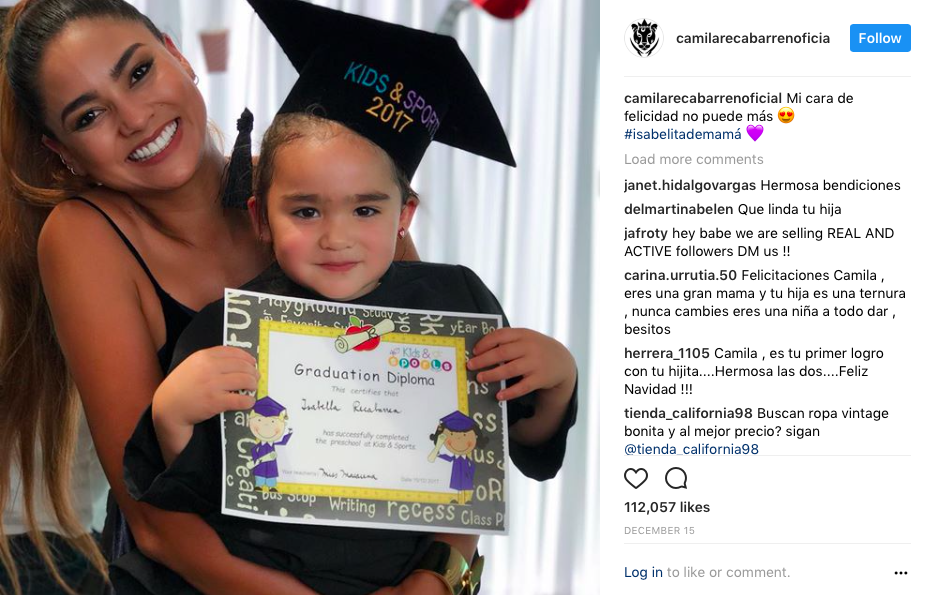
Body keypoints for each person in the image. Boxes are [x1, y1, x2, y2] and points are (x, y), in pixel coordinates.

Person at [123, 2, 579, 595]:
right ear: (261, 218)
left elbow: (516, 437)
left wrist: (558, 379)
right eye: (306, 211)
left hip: (407, 580)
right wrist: (171, 415)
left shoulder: (455, 303)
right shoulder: (229, 328)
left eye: (365, 209)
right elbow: (195, 491)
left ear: (404, 214)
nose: (336, 238)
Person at [0, 1, 425, 593]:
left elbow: (436, 414)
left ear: (178, 57)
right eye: (90, 115)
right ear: (63, 152)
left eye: (139, 72)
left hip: (383, 563)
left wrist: (442, 574)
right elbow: (156, 526)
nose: (134, 118)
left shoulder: (325, 190)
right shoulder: (83, 237)